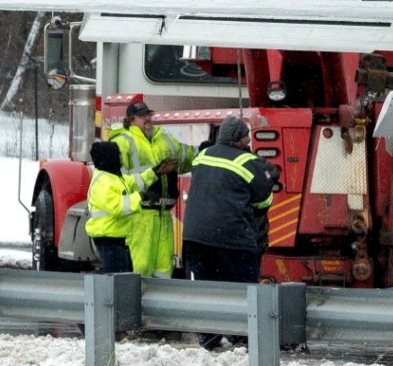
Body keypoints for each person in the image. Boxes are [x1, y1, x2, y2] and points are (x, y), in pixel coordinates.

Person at [107, 97, 196, 277]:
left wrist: (208, 151)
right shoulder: (123, 142)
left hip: (164, 215)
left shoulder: (164, 138)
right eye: (142, 116)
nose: (148, 119)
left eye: (149, 114)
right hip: (140, 216)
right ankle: (135, 302)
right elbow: (119, 181)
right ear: (131, 120)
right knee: (140, 269)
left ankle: (159, 303)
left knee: (164, 270)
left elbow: (186, 157)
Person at [181, 116, 276, 285]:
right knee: (240, 294)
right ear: (238, 138)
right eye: (246, 137)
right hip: (232, 241)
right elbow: (263, 202)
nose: (248, 141)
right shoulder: (249, 162)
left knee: (205, 291)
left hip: (195, 238)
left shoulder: (203, 155)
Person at [82, 139, 145, 276]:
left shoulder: (113, 177)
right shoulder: (103, 182)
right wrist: (141, 197)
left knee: (124, 279)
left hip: (116, 238)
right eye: (119, 154)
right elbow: (118, 207)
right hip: (108, 240)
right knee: (118, 281)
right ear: (110, 157)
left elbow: (134, 182)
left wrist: (156, 172)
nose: (121, 157)